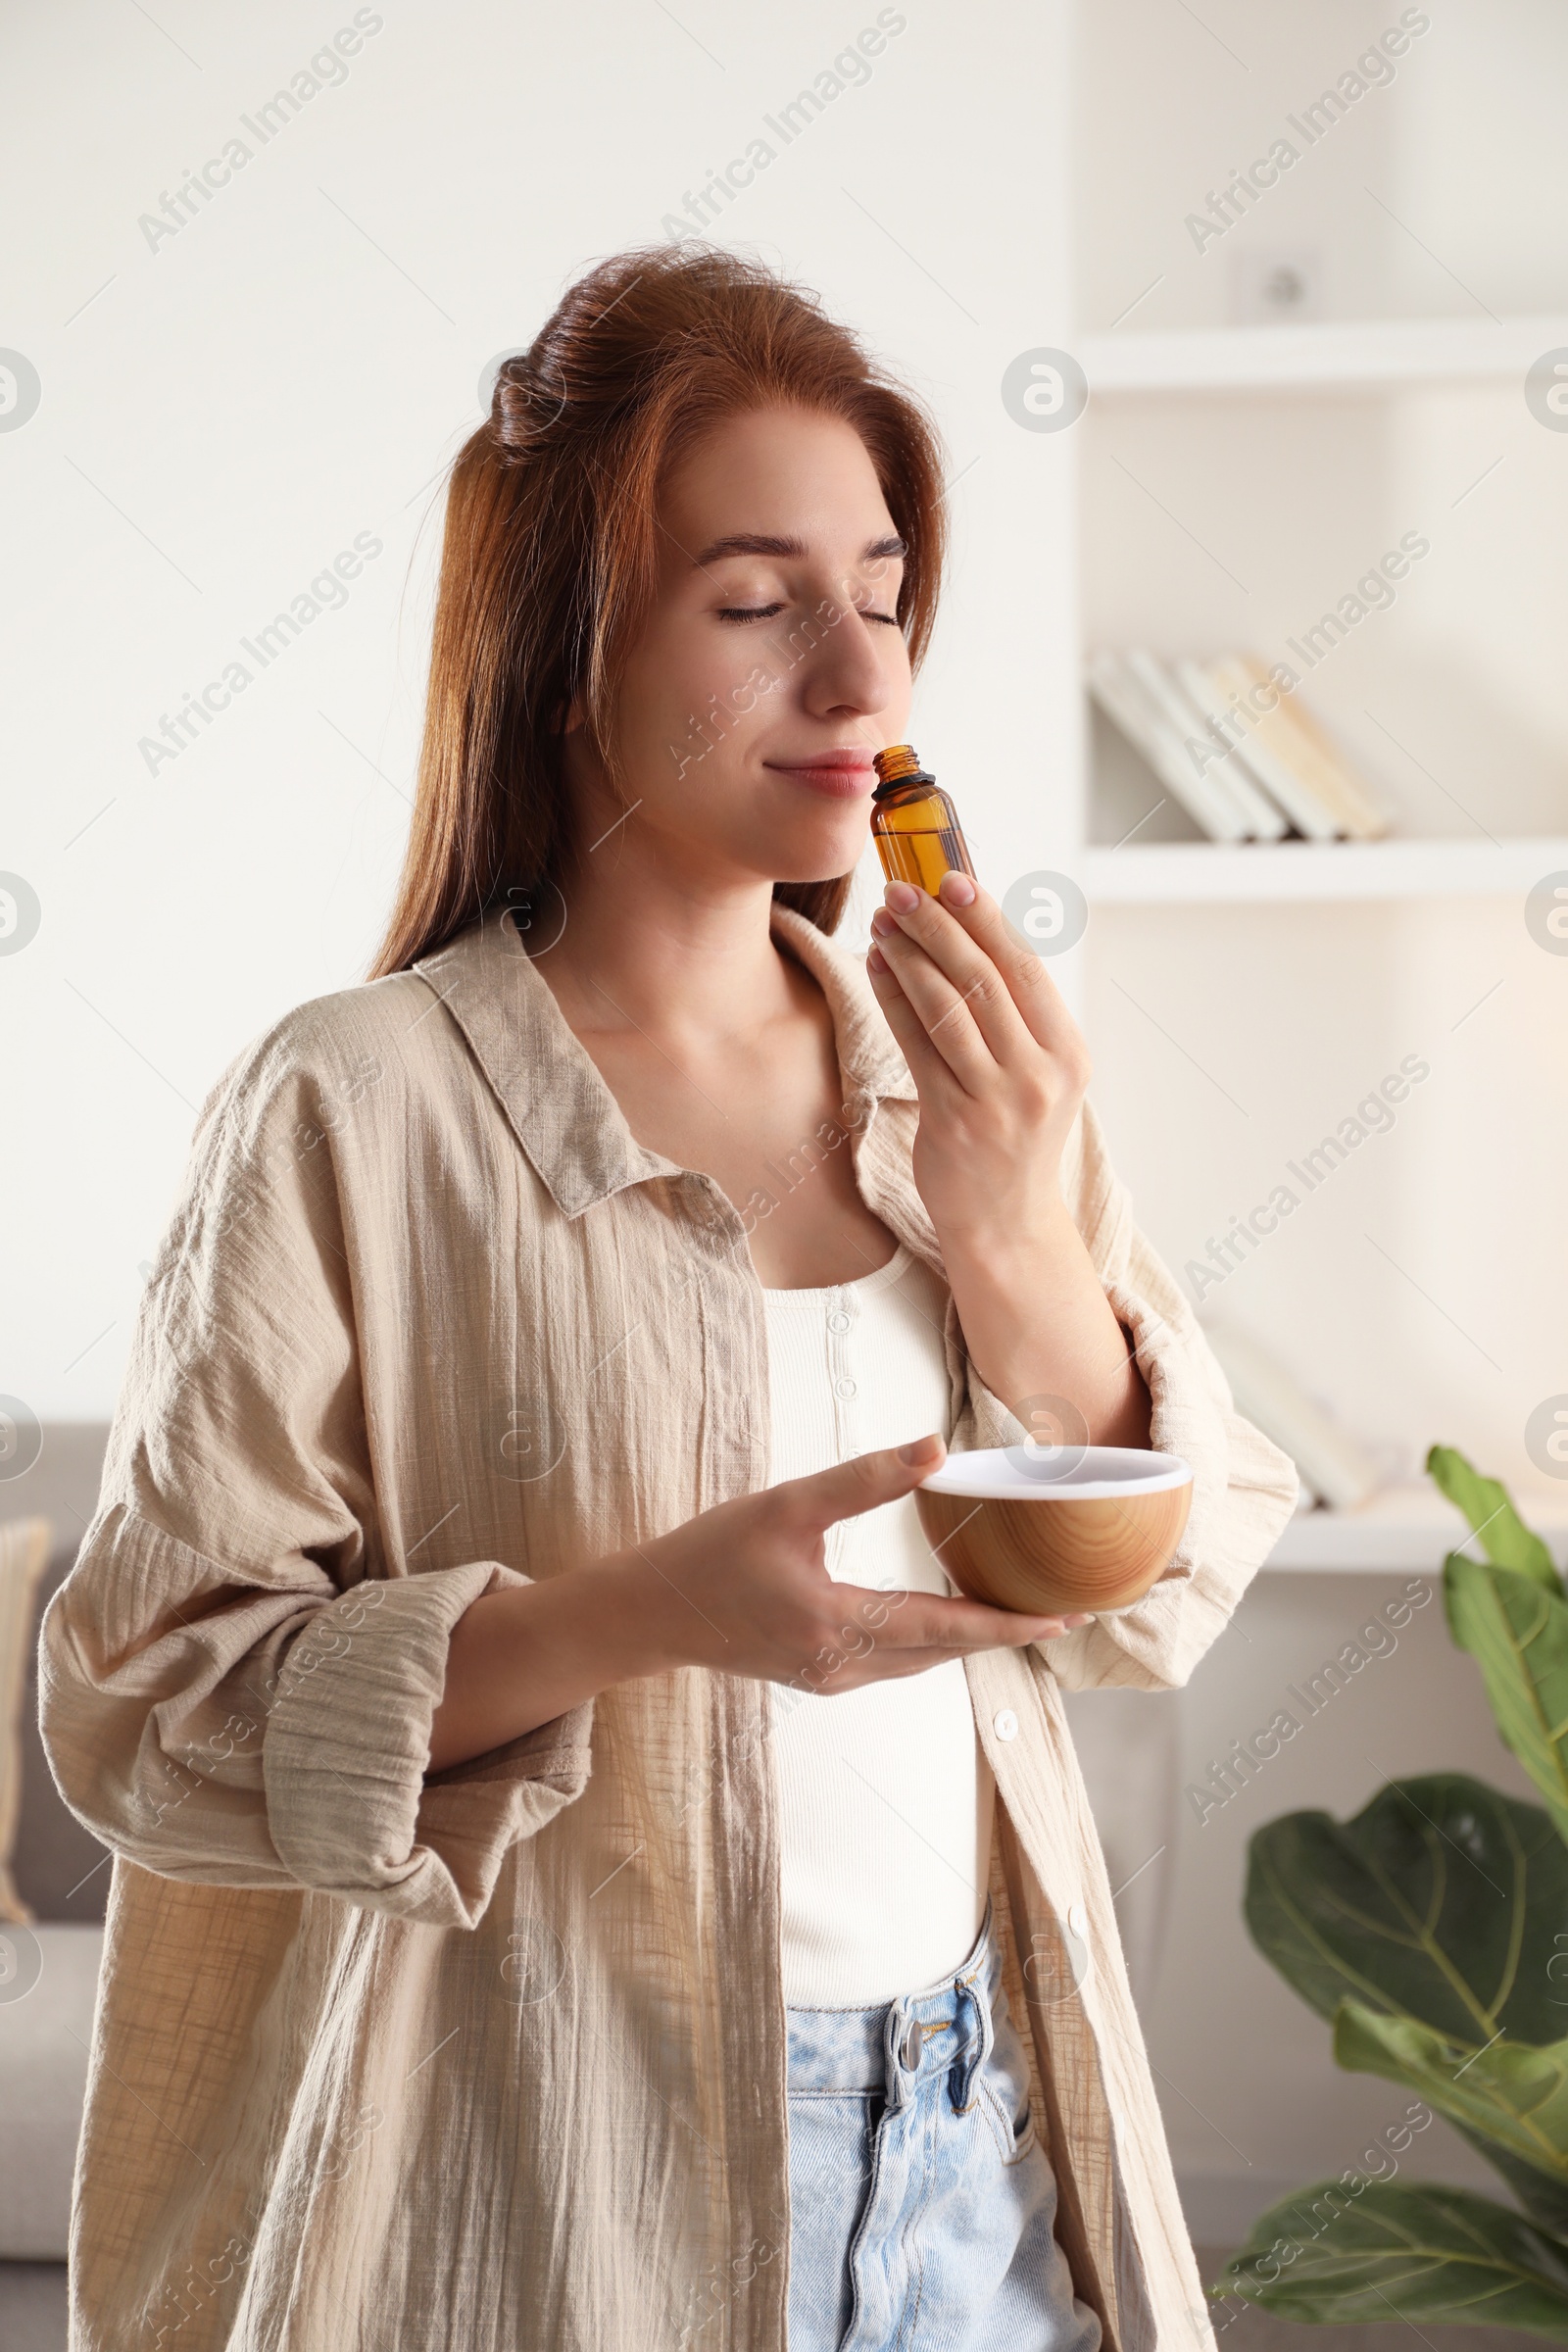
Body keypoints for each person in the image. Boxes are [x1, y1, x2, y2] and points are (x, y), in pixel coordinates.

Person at [41, 244, 1298, 2351]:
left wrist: (1007, 1241)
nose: (860, 682)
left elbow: (1154, 1599)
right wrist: (646, 1613)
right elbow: (148, 1712)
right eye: (755, 605)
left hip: (981, 2137)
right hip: (558, 2184)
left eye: (883, 595)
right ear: (563, 652)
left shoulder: (956, 1073)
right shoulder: (358, 1105)